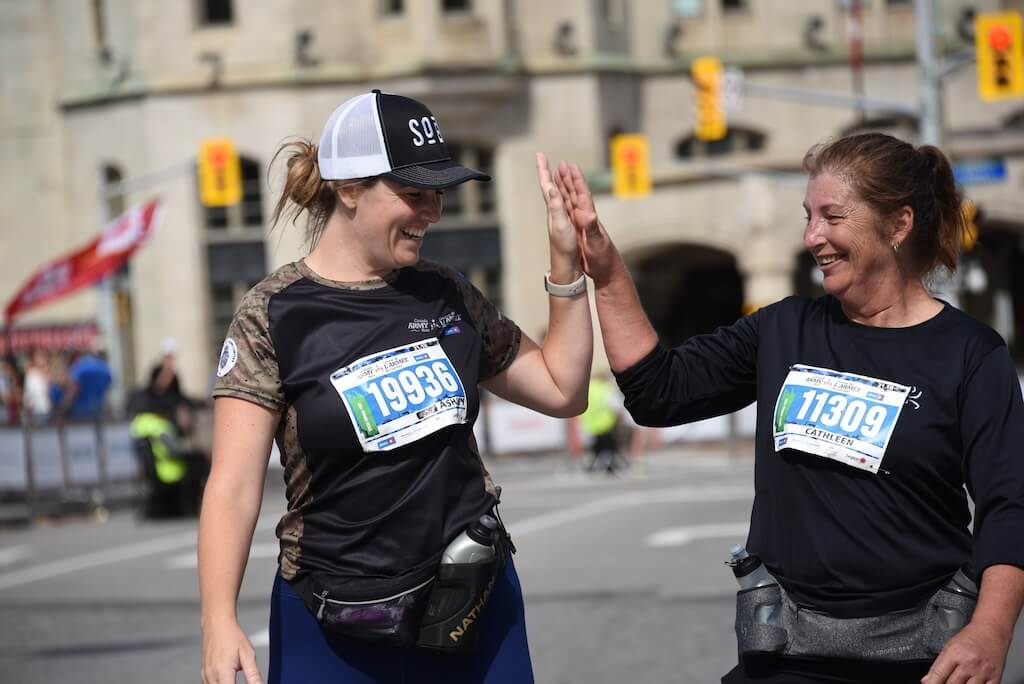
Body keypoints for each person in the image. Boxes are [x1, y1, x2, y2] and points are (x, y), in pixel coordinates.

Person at [553, 132, 1024, 683]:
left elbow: (1010, 506)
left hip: (924, 658)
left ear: (898, 225)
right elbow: (659, 391)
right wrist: (606, 271)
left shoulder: (970, 353)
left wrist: (990, 631)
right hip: (787, 656)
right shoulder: (783, 329)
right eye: (808, 216)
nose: (812, 237)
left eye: (831, 217)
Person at [198, 90, 593, 684]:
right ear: (347, 188)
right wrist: (217, 621)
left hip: (472, 603)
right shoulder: (273, 314)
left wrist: (567, 265)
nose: (432, 211)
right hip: (331, 620)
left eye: (438, 192)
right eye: (413, 193)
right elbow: (231, 487)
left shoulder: (447, 293)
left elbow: (563, 389)